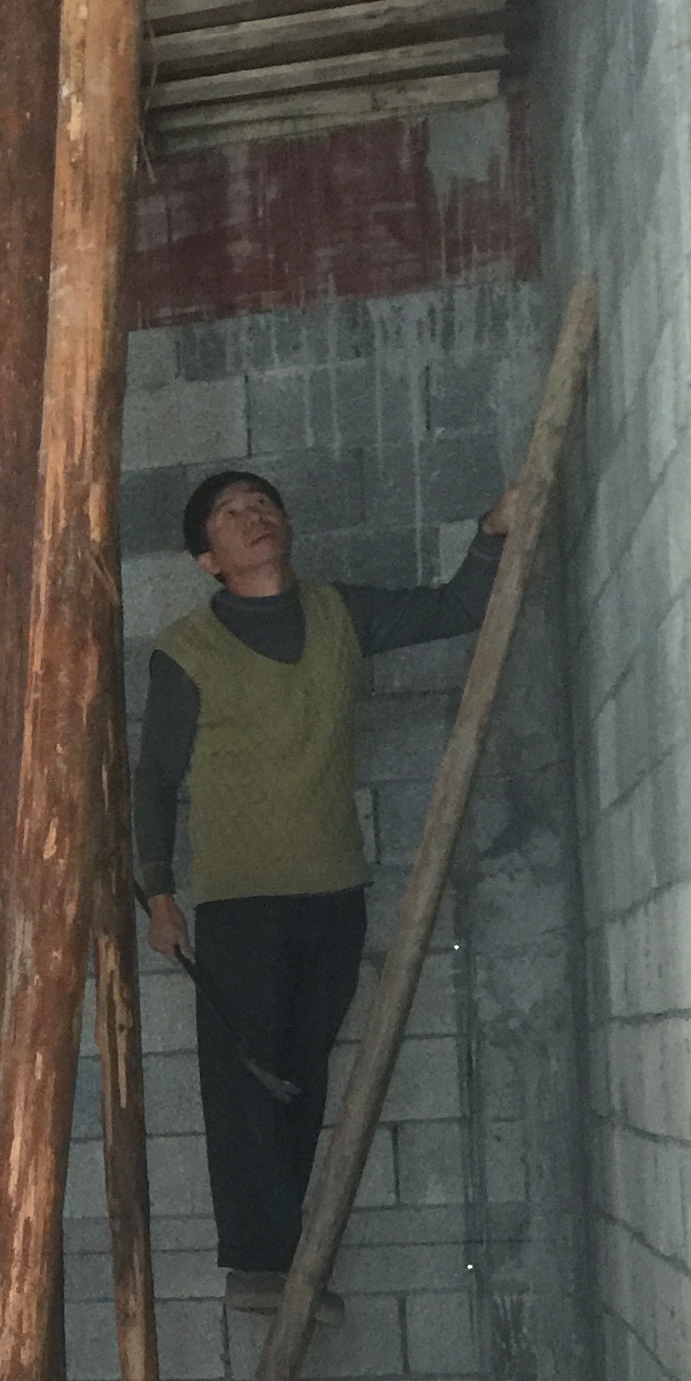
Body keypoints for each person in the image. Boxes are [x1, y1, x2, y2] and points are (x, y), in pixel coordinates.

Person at [134, 469, 510, 1321]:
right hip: (239, 904)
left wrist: (493, 532)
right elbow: (154, 777)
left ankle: (286, 1263)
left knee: (299, 1078)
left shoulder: (340, 614)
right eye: (231, 514)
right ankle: (256, 1265)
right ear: (207, 559)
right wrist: (158, 893)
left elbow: (457, 607)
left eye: (262, 502)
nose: (254, 516)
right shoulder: (187, 651)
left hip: (335, 892)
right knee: (245, 1084)